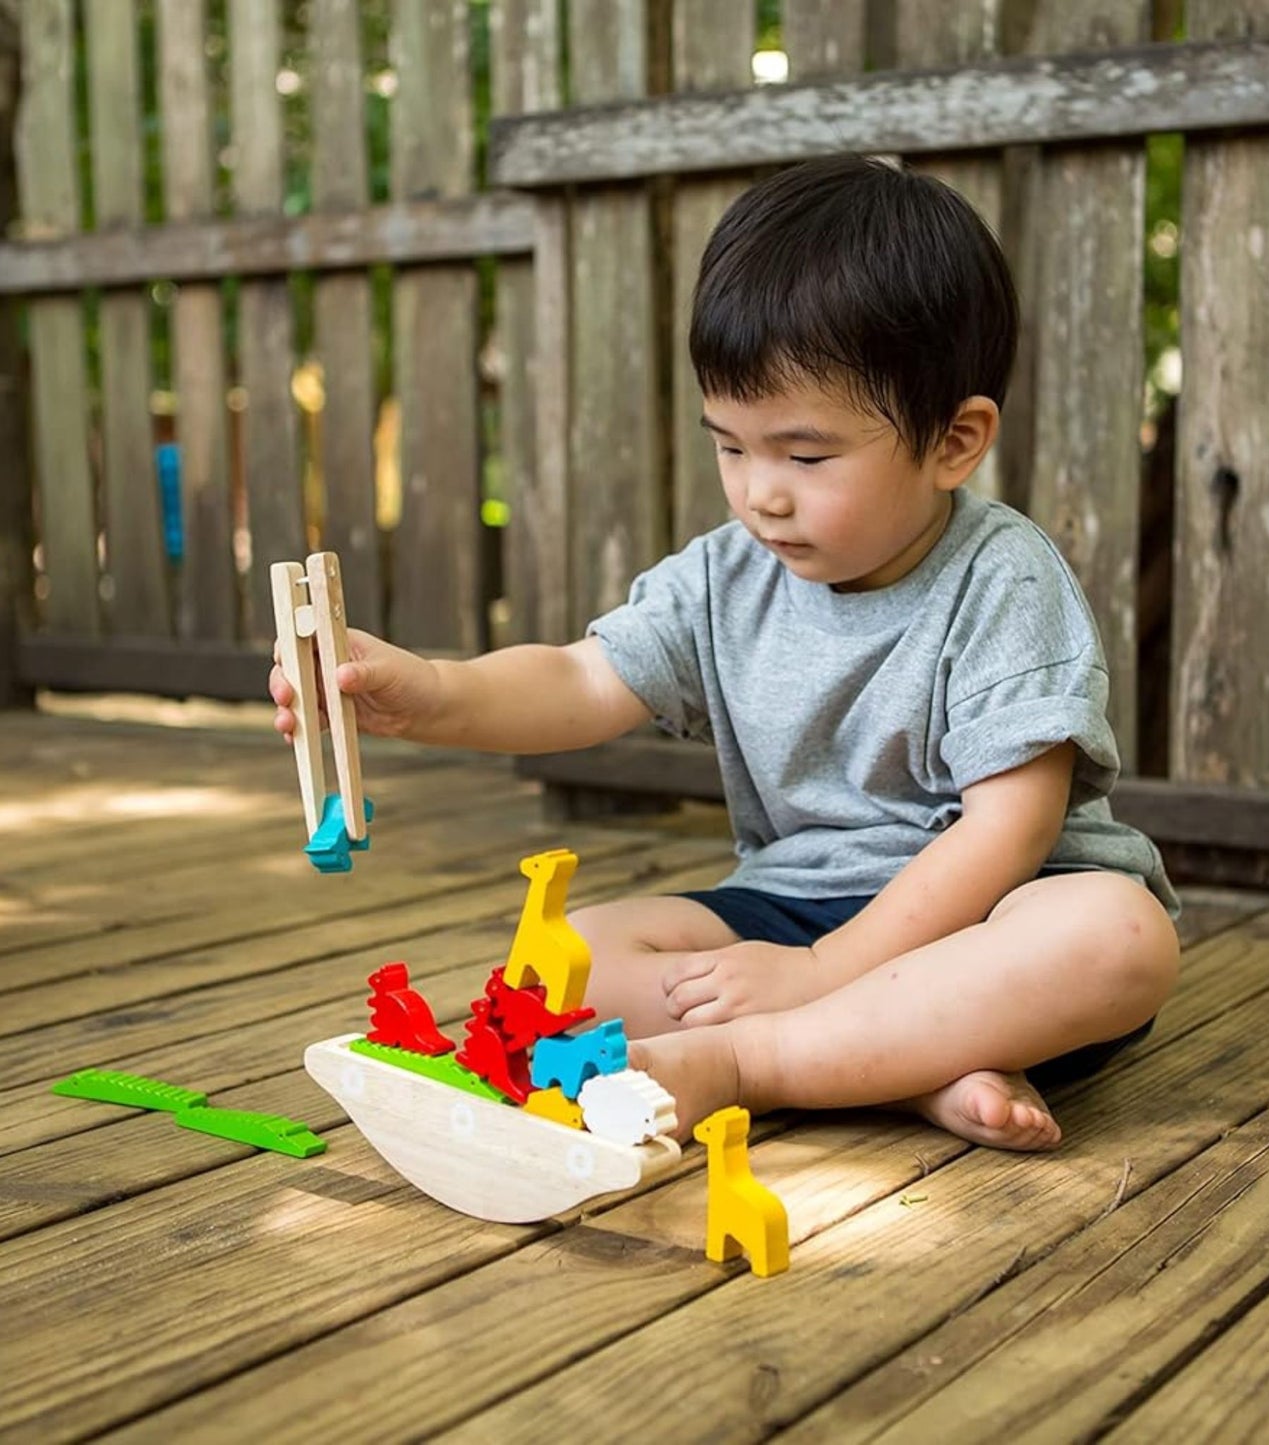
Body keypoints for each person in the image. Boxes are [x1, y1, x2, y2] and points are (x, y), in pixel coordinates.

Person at [271, 154, 1180, 1151]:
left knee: (1117, 936)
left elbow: (1007, 828)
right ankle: (902, 1064)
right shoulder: (726, 574)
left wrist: (827, 971)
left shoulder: (999, 577)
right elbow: (580, 678)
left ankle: (760, 1061)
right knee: (561, 961)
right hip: (792, 903)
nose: (759, 493)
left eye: (804, 453)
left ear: (953, 442)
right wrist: (429, 693)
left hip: (989, 917)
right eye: (731, 446)